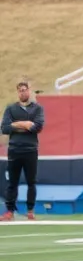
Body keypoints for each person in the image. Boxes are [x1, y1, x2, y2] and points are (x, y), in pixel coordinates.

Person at [2, 80, 44, 221]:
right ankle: (9, 211)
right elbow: (5, 128)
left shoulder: (37, 109)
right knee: (12, 182)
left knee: (31, 181)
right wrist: (25, 124)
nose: (22, 92)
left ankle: (30, 210)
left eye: (24, 89)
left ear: (29, 91)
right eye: (20, 90)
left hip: (31, 150)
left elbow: (37, 127)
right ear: (17, 92)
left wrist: (16, 125)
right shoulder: (10, 108)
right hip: (14, 150)